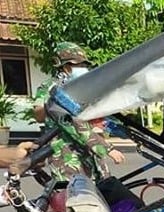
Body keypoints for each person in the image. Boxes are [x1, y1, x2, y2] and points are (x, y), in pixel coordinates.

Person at [33, 42, 125, 183]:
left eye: (83, 65)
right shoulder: (53, 90)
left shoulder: (82, 87)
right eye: (77, 65)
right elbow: (71, 123)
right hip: (67, 155)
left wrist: (124, 130)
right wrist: (106, 148)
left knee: (103, 192)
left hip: (90, 151)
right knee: (76, 197)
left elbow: (99, 115)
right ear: (64, 66)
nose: (82, 69)